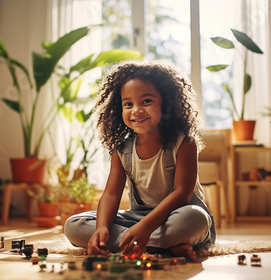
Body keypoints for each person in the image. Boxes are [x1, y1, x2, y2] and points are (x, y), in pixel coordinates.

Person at [64, 60, 216, 261]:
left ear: (167, 103)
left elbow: (182, 193)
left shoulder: (184, 142)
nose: (136, 110)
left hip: (178, 214)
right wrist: (101, 228)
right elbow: (110, 194)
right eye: (128, 104)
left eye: (146, 101)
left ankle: (139, 241)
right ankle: (160, 246)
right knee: (74, 224)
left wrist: (145, 228)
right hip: (137, 219)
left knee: (195, 218)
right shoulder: (121, 149)